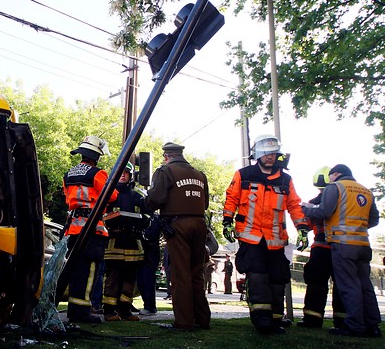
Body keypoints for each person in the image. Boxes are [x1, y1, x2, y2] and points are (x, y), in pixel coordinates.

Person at [222, 134, 309, 335]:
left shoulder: (285, 179)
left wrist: (302, 228)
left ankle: (276, 318)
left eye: (273, 153)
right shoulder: (243, 175)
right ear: (257, 155)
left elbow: (294, 205)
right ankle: (261, 319)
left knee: (278, 279)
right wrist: (227, 221)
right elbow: (231, 199)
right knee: (258, 276)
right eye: (265, 153)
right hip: (251, 236)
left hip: (276, 239)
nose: (269, 157)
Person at [301, 164, 381, 337]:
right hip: (363, 245)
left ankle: (354, 326)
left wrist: (305, 209)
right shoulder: (365, 190)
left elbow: (324, 211)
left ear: (335, 174)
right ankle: (373, 326)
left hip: (342, 244)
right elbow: (374, 220)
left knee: (348, 286)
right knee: (365, 286)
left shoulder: (335, 187)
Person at [145, 142, 211, 331]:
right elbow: (204, 203)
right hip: (199, 225)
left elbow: (156, 198)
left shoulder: (165, 172)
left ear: (166, 156)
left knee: (180, 273)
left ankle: (183, 322)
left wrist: (145, 202)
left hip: (177, 225)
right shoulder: (200, 174)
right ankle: (202, 319)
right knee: (196, 273)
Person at [62, 136, 117, 323]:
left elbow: (68, 200)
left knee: (75, 271)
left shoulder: (68, 174)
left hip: (73, 229)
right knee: (90, 271)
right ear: (96, 156)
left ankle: (74, 310)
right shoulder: (97, 173)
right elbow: (113, 195)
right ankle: (82, 313)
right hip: (92, 230)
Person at [297, 166, 346, 329]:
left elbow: (307, 224)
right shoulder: (342, 203)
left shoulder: (313, 204)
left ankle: (312, 319)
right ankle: (342, 321)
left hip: (321, 248)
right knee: (341, 284)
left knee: (316, 283)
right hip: (339, 247)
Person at [102, 162, 149, 321]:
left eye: (126, 173)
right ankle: (108, 310)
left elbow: (148, 216)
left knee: (130, 278)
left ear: (130, 175)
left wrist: (143, 221)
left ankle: (125, 310)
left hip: (133, 241)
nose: (122, 175)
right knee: (113, 277)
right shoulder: (108, 195)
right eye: (119, 172)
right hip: (114, 240)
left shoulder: (137, 196)